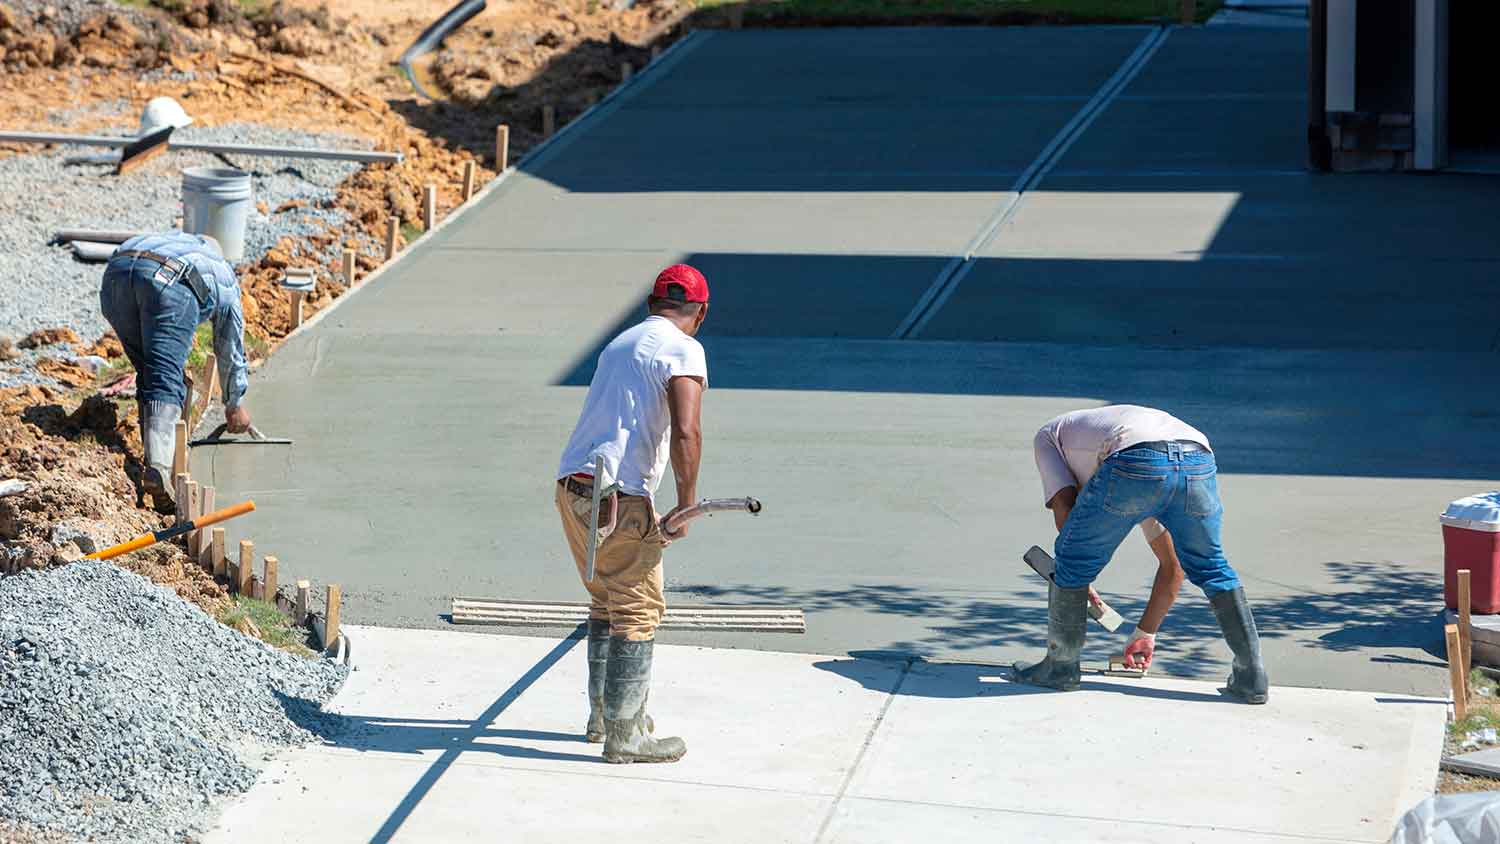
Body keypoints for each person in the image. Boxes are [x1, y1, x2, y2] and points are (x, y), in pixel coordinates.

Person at [555, 263, 710, 763]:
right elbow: (687, 431)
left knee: (606, 599)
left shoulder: (618, 344)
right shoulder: (684, 349)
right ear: (700, 313)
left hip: (573, 487)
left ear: (650, 305)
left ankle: (603, 718)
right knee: (639, 609)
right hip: (620, 497)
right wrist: (687, 504)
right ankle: (627, 736)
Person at [1014, 405, 1269, 704]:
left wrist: (1074, 580)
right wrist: (1145, 633)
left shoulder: (1048, 437)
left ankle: (1060, 668)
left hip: (1134, 459)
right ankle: (1252, 676)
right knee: (1211, 566)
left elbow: (1065, 512)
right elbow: (1173, 567)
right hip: (1196, 456)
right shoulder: (1134, 476)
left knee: (1073, 561)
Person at [100, 231, 251, 514]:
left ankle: (155, 459)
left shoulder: (177, 242)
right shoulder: (222, 272)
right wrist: (235, 403)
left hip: (115, 276)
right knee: (165, 378)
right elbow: (229, 344)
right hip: (169, 281)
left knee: (150, 370)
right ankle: (158, 467)